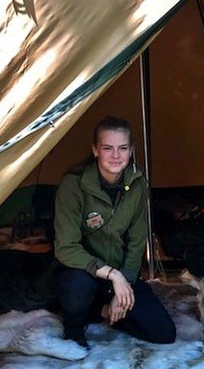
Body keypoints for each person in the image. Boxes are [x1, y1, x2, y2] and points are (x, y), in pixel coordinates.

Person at [53, 116, 176, 347]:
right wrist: (113, 275)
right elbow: (66, 248)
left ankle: (105, 310)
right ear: (95, 150)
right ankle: (75, 325)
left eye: (123, 148)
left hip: (118, 273)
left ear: (132, 150)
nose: (116, 156)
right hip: (82, 273)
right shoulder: (73, 184)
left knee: (164, 333)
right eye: (107, 148)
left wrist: (124, 283)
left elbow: (137, 242)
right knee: (77, 288)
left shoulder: (138, 183)